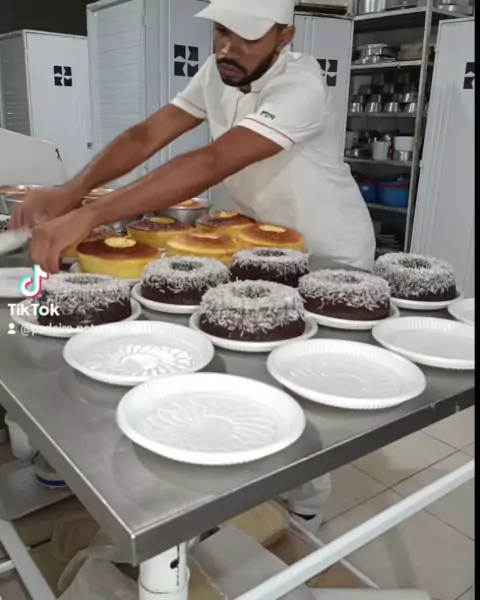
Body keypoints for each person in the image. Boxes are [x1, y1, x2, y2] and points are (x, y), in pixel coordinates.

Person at [12, 0, 377, 530]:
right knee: (248, 373)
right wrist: (72, 191)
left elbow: (211, 161)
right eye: (221, 30)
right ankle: (233, 479)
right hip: (256, 247)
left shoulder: (300, 86)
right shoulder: (219, 70)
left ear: (284, 36)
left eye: (247, 36)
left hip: (326, 254)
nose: (227, 47)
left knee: (302, 388)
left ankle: (306, 504)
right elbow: (145, 136)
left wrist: (88, 214)